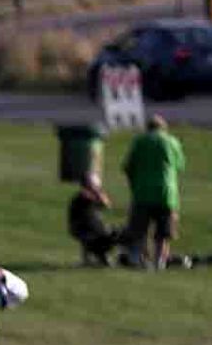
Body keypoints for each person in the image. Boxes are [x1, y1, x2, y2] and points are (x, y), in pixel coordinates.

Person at [123, 114, 186, 270]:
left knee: (139, 229)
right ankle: (159, 262)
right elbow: (180, 166)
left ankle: (137, 259)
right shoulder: (172, 142)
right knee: (163, 233)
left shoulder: (139, 141)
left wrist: (134, 184)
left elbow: (128, 167)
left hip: (142, 192)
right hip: (166, 193)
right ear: (163, 128)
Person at [67, 171, 124, 266]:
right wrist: (98, 192)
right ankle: (94, 258)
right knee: (111, 234)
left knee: (114, 232)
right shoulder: (82, 199)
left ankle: (101, 257)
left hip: (94, 232)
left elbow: (106, 205)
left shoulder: (89, 198)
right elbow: (105, 204)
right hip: (88, 234)